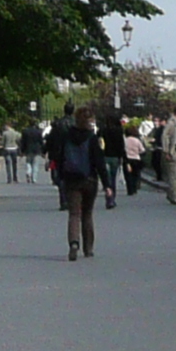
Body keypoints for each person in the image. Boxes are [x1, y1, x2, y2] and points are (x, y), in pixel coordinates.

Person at [51, 103, 104, 260]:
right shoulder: (92, 138)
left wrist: (61, 176)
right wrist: (107, 184)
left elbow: (60, 157)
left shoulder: (67, 136)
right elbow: (99, 161)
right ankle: (88, 248)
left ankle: (74, 243)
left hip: (71, 179)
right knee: (87, 214)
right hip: (89, 179)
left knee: (74, 214)